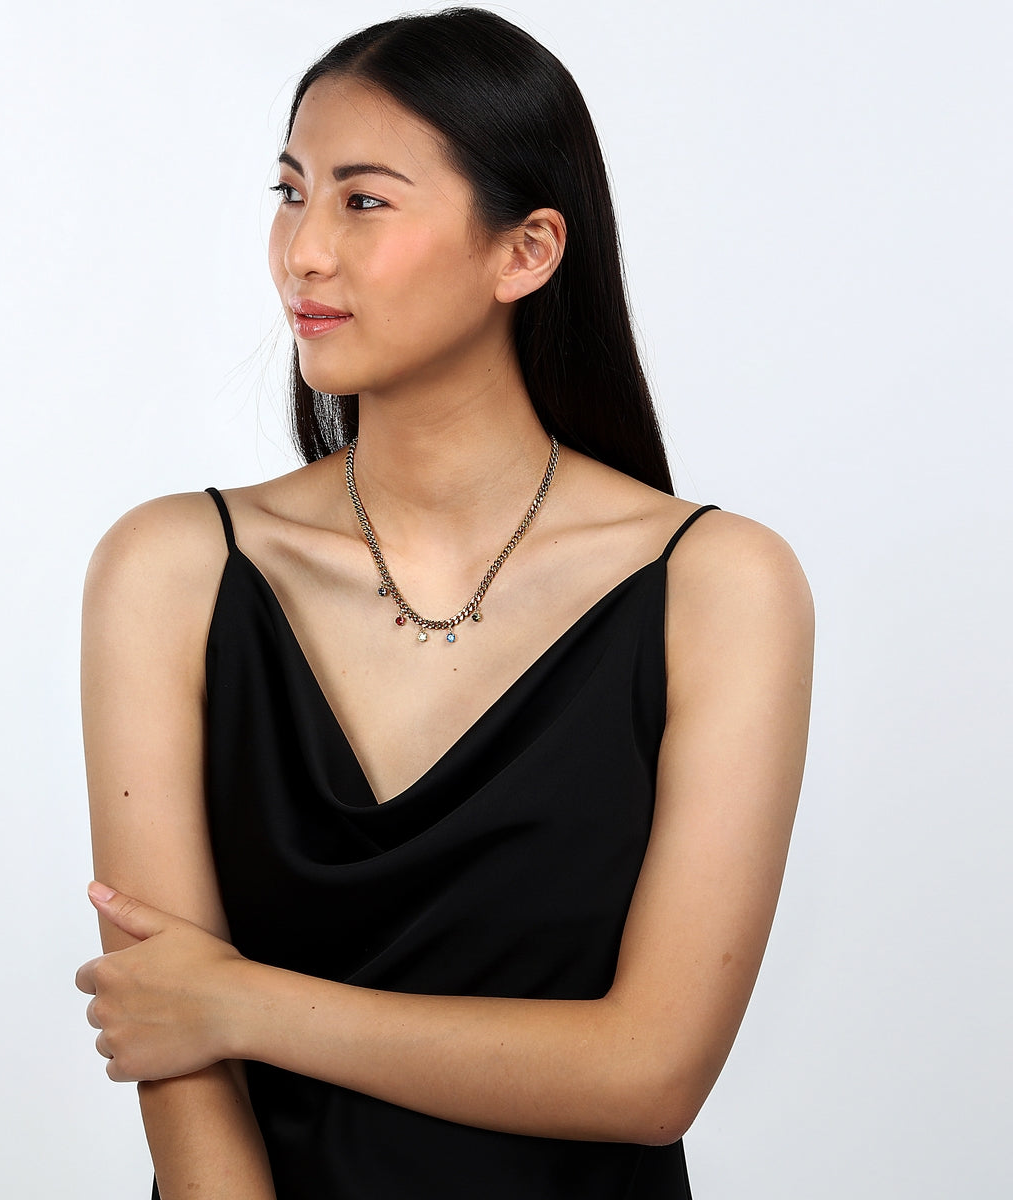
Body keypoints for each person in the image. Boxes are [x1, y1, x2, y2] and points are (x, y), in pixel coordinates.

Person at [74, 9, 814, 1198]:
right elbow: (180, 1072)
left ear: (525, 252)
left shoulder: (721, 587)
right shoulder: (169, 568)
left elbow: (651, 1074)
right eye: (290, 192)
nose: (303, 252)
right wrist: (201, 1012)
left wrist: (242, 1004)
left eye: (363, 201)